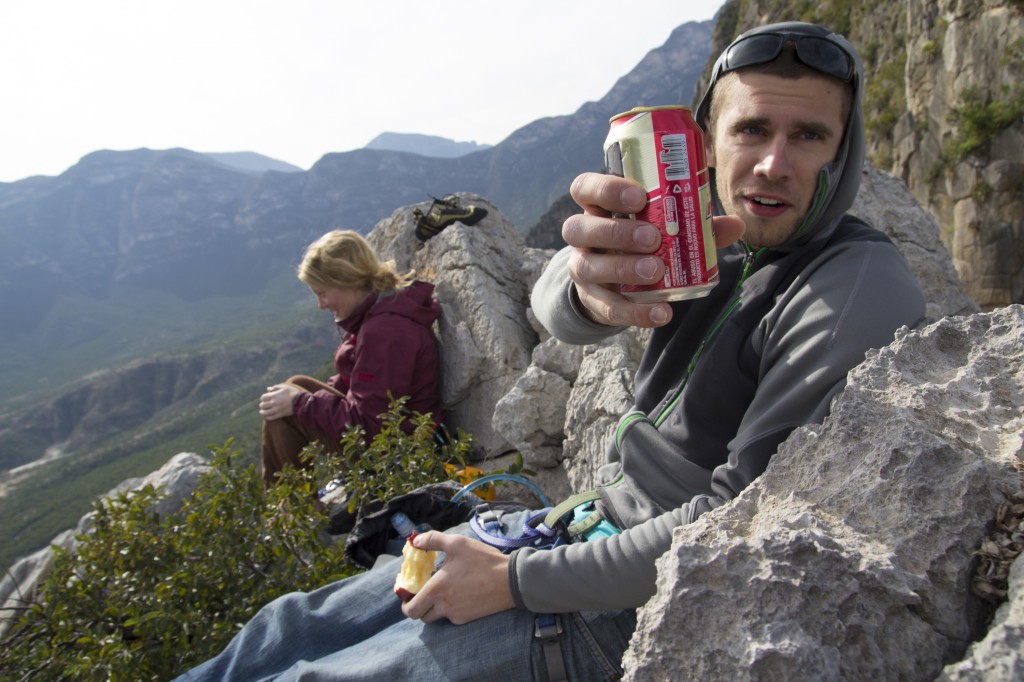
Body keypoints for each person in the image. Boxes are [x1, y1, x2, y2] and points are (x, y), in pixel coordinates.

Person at [176, 22, 925, 681]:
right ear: (707, 143)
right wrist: (586, 289)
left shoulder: (854, 285)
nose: (772, 164)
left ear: (843, 149)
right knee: (281, 631)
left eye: (809, 136)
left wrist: (514, 582)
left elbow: (737, 522)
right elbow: (555, 308)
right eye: (752, 131)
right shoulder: (701, 231)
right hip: (564, 528)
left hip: (612, 602)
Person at [258, 229, 443, 487]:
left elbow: (371, 425)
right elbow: (358, 385)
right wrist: (302, 397)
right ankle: (288, 505)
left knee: (284, 411)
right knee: (292, 386)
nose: (320, 304)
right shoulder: (377, 311)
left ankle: (291, 510)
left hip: (401, 454)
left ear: (349, 281)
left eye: (322, 293)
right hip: (394, 439)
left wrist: (301, 403)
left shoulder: (384, 332)